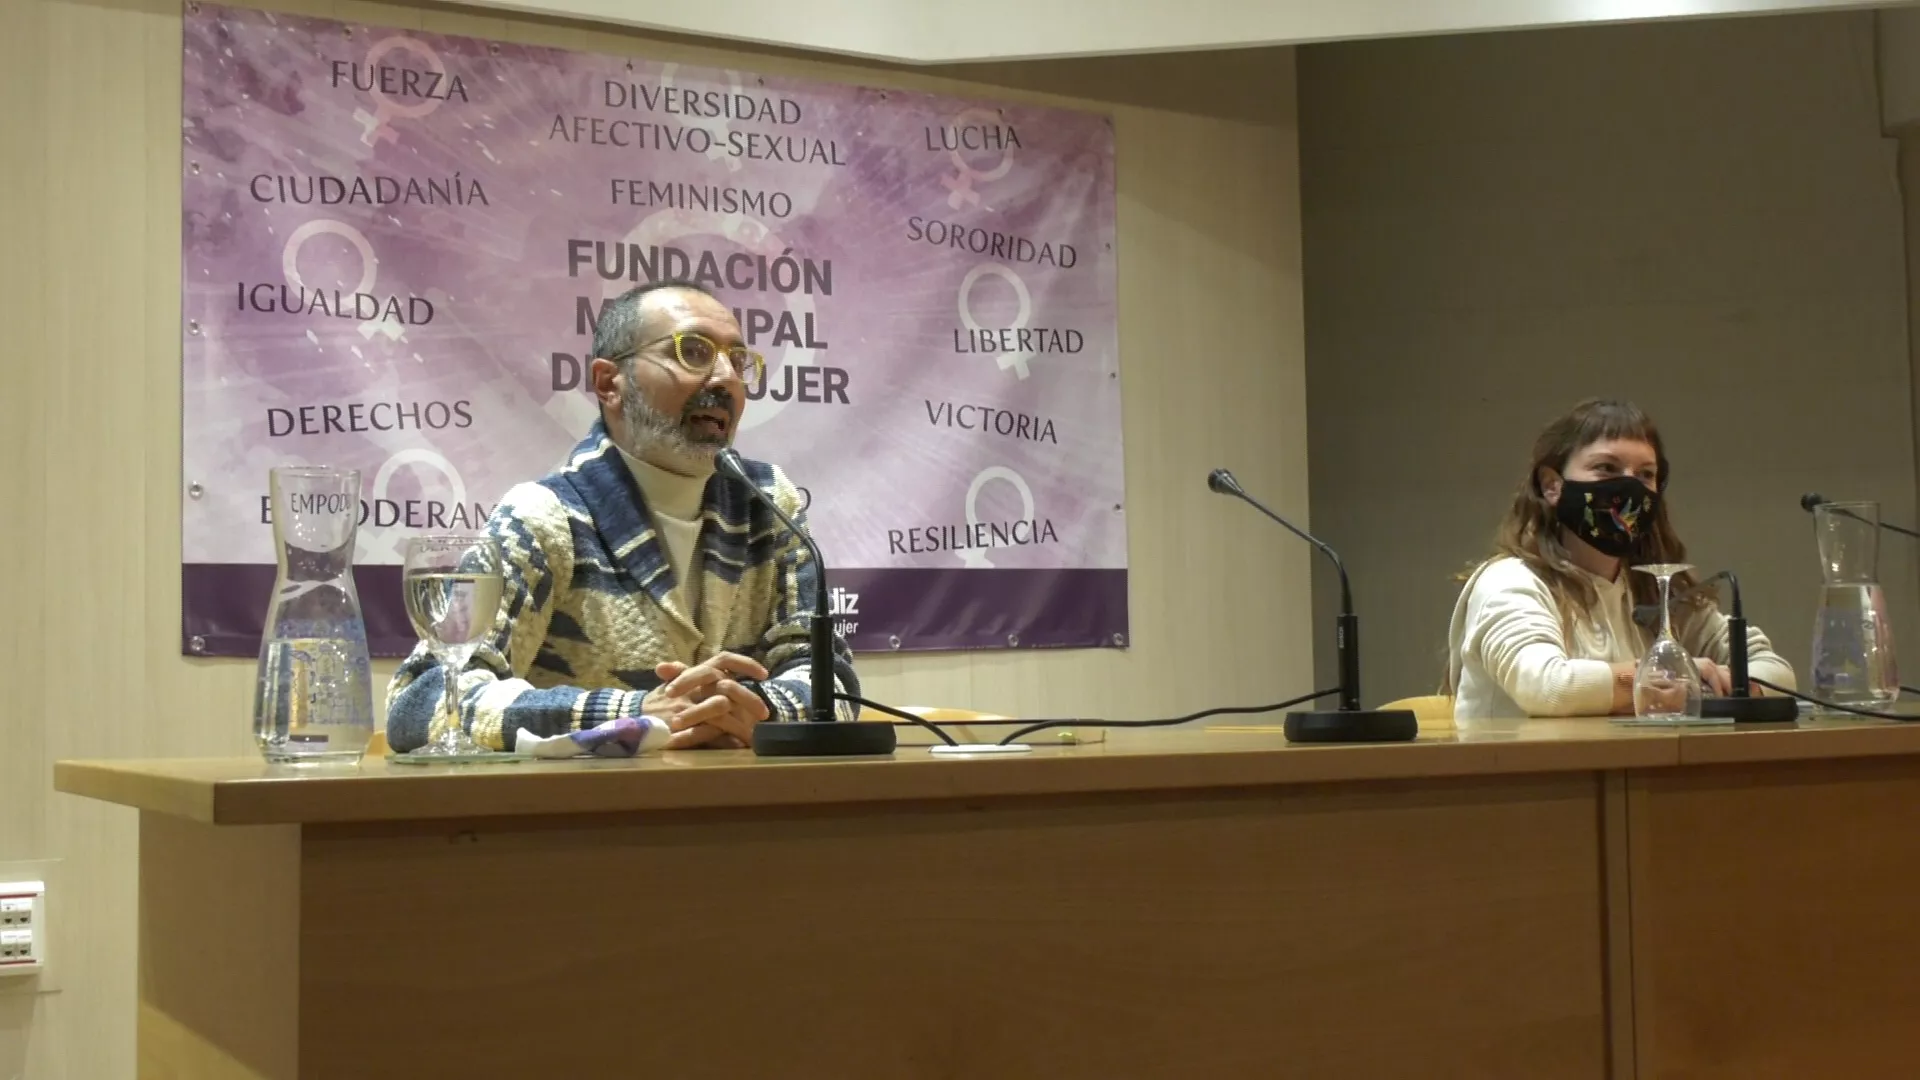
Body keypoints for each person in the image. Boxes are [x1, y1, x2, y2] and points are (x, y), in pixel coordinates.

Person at [386, 279, 858, 752]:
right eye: (692, 351)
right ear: (610, 383)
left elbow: (829, 683)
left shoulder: (771, 506)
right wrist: (629, 716)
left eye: (737, 360)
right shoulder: (542, 518)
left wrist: (756, 706)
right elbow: (423, 701)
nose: (725, 378)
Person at [1444, 398, 1794, 722]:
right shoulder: (1508, 580)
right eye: (1607, 468)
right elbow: (1547, 688)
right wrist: (1673, 678)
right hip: (1521, 782)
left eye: (1645, 475)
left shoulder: (1652, 591)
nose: (1630, 489)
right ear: (1553, 486)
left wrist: (1726, 683)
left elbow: (1777, 671)